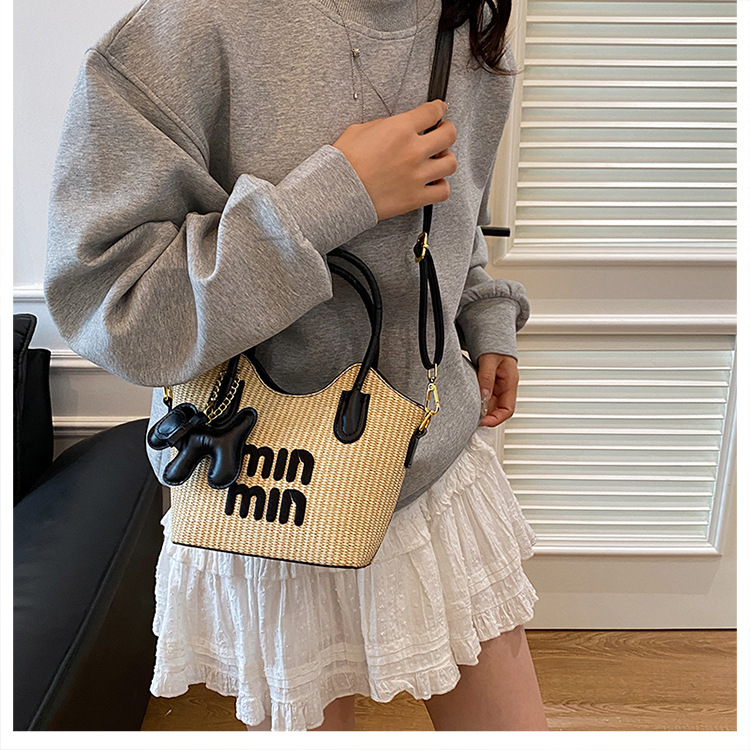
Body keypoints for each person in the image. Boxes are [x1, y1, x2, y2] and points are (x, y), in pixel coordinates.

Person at [44, 0, 548, 731]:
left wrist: (483, 311)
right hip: (266, 487)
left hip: (429, 457)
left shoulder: (469, 19)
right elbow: (115, 305)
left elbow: (449, 208)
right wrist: (332, 198)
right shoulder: (185, 29)